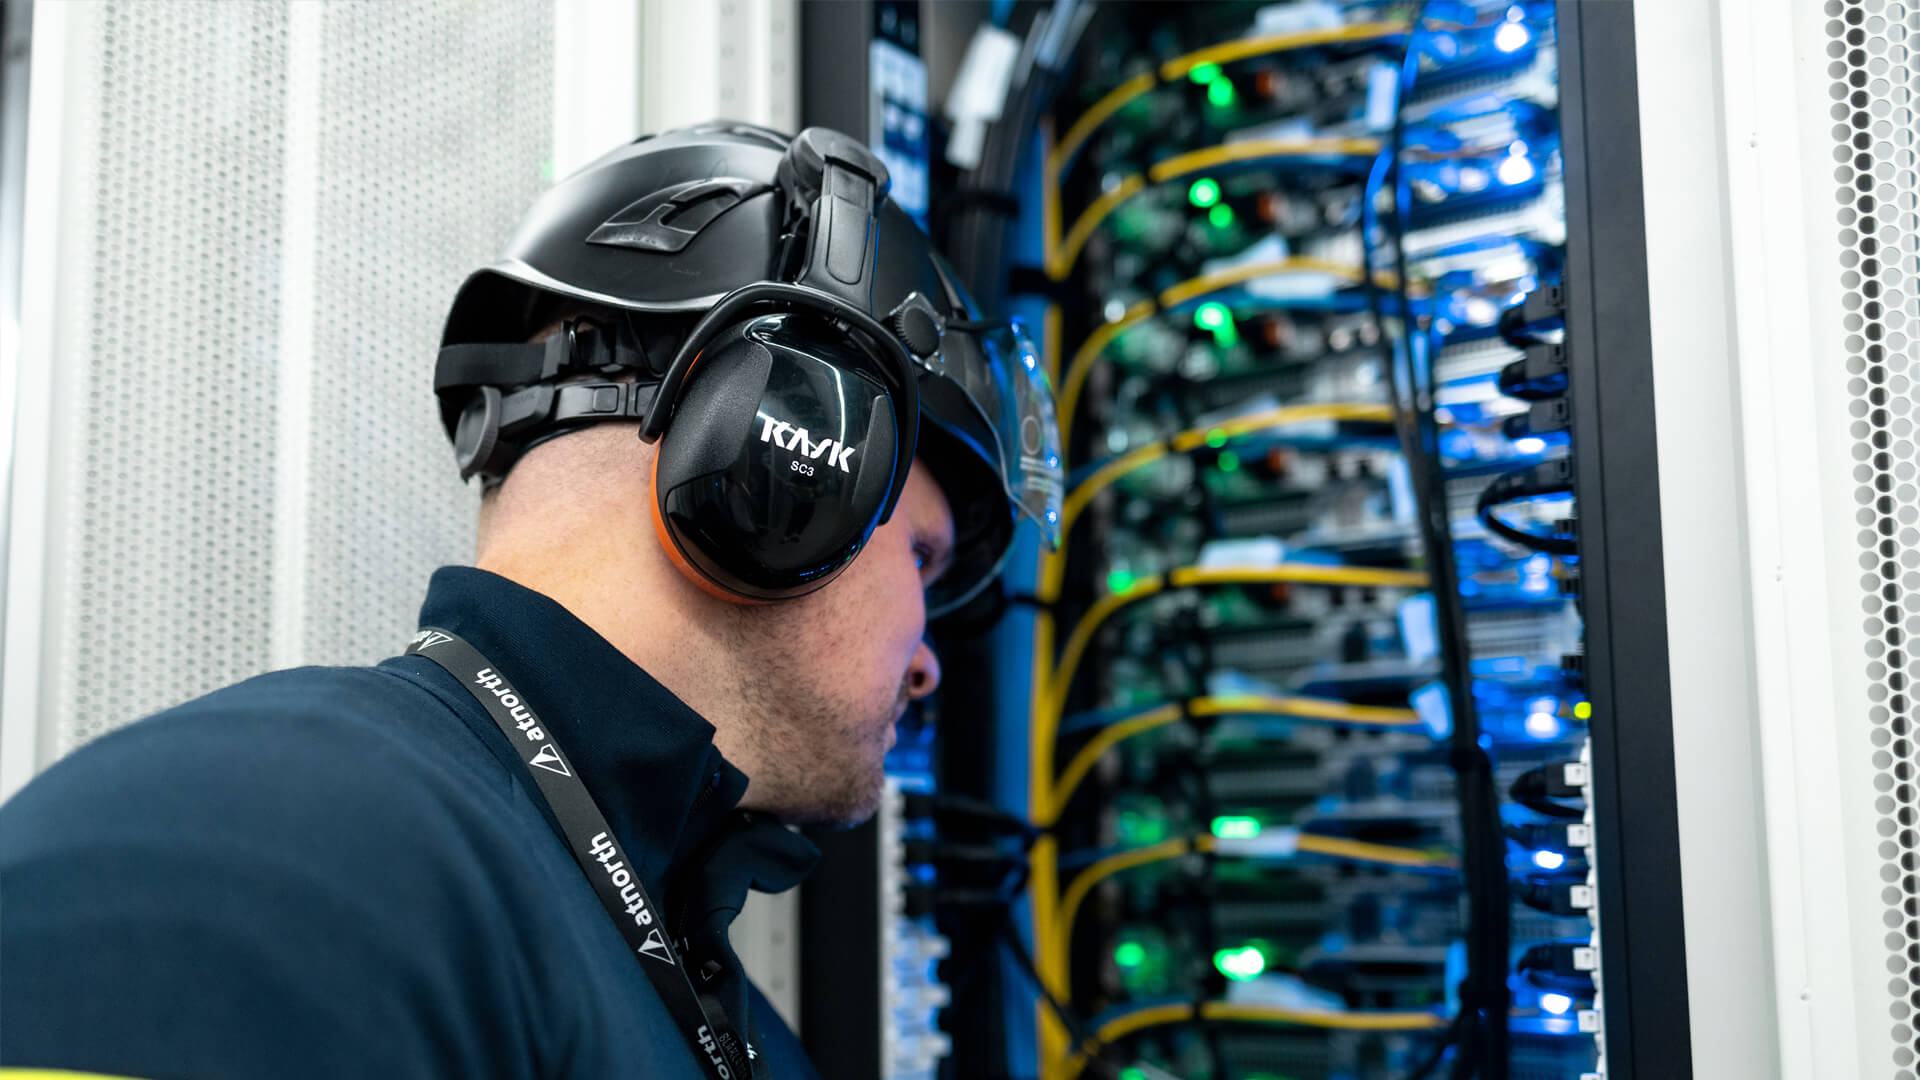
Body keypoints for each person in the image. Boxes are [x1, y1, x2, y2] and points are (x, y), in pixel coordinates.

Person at [0, 122, 1062, 1080]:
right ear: (787, 463)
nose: (929, 662)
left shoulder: (643, 955)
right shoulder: (256, 849)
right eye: (920, 558)